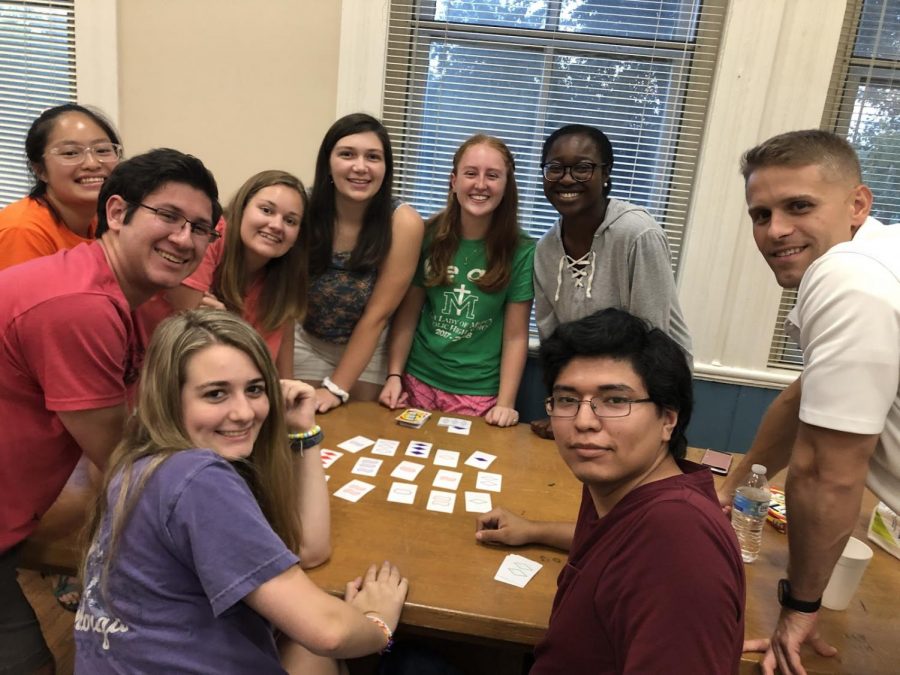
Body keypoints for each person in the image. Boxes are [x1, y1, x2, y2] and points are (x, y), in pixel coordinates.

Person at [75, 310, 408, 674]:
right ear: (171, 398)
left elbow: (308, 549)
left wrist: (301, 431)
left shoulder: (137, 462)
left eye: (254, 389)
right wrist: (379, 623)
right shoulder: (197, 477)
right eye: (216, 393)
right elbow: (327, 631)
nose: (244, 412)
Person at [0, 148, 221, 675]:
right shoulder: (81, 305)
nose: (184, 239)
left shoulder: (125, 292)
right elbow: (122, 453)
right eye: (167, 216)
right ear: (118, 213)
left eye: (200, 228)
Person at [719, 129, 899, 675]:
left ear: (857, 204)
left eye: (799, 206)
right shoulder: (879, 253)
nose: (776, 231)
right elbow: (804, 399)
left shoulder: (846, 277)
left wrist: (799, 608)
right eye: (760, 214)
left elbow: (826, 473)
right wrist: (730, 492)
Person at [477, 309, 744, 673]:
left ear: (668, 419)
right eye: (568, 400)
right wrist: (533, 529)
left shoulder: (680, 537)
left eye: (615, 401)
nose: (584, 422)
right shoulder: (620, 489)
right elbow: (616, 546)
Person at [530, 123, 692, 438]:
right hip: (588, 401)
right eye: (555, 168)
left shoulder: (637, 233)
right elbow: (554, 341)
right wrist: (564, 410)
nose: (566, 178)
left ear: (606, 174)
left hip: (649, 397)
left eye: (582, 168)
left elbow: (651, 338)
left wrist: (641, 418)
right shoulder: (546, 249)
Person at [378, 134, 534, 426]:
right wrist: (394, 375)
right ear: (453, 181)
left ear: (506, 186)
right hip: (416, 382)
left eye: (493, 176)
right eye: (470, 173)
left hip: (476, 393)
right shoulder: (425, 235)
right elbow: (408, 315)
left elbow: (515, 336)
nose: (480, 184)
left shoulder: (522, 251)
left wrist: (506, 403)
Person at [294, 113, 424, 412]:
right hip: (306, 341)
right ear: (328, 161)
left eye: (373, 157)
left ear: (386, 167)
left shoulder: (403, 223)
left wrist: (336, 388)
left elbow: (377, 315)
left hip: (368, 349)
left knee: (358, 432)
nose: (360, 167)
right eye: (347, 154)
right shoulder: (303, 206)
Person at [168, 170, 309, 377]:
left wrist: (224, 322)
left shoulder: (284, 278)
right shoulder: (209, 236)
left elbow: (279, 377)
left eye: (290, 221)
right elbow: (188, 329)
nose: (277, 225)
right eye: (266, 210)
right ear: (241, 209)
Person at [0, 103, 122, 270]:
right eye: (70, 153)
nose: (92, 164)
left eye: (102, 150)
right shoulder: (22, 231)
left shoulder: (104, 218)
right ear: (40, 170)